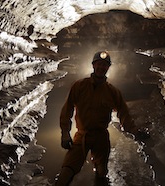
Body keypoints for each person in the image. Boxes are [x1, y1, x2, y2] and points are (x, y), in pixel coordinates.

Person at [56, 51, 149, 186]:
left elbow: (124, 114)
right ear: (93, 65)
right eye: (99, 64)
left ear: (108, 68)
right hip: (82, 135)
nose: (101, 68)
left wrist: (135, 131)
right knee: (68, 169)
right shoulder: (79, 86)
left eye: (104, 65)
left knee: (101, 173)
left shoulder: (112, 92)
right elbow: (67, 109)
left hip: (101, 137)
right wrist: (65, 133)